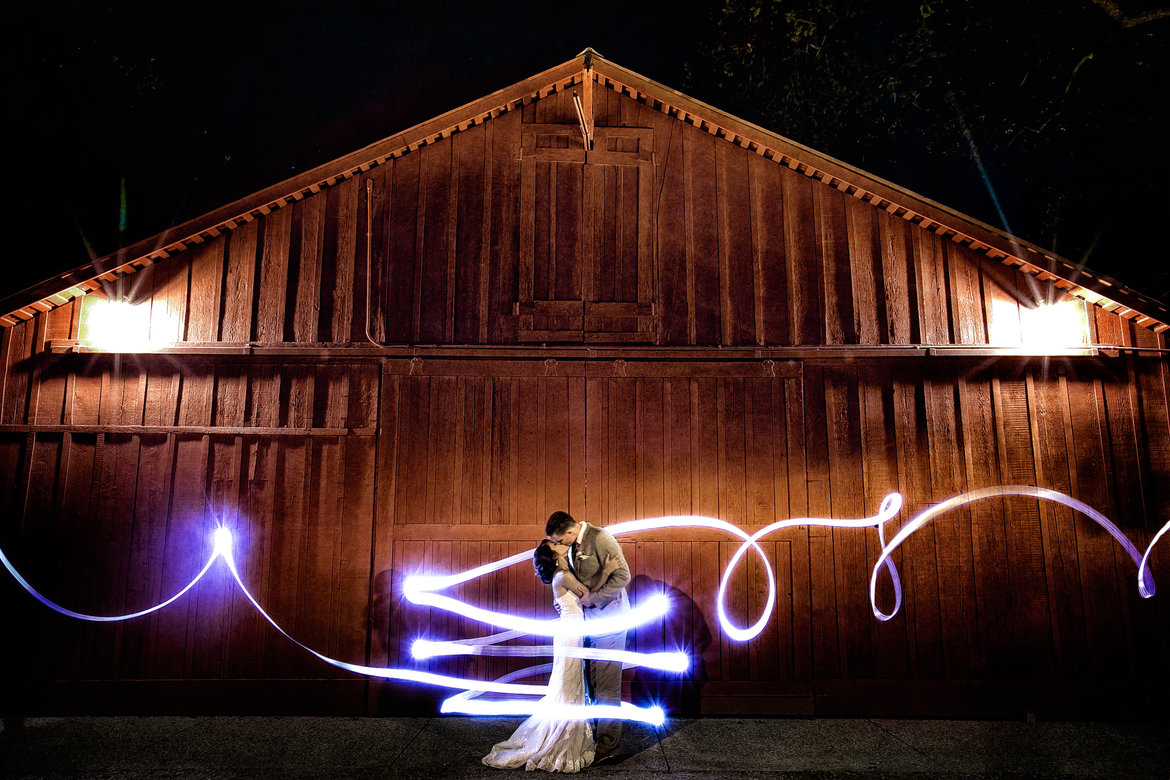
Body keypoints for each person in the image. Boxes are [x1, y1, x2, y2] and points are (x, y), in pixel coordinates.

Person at [482, 540, 621, 773]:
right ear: (554, 556)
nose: (560, 544)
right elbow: (587, 595)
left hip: (571, 633)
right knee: (568, 687)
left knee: (570, 685)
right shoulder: (563, 575)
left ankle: (570, 731)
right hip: (571, 635)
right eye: (555, 545)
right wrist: (607, 570)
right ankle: (560, 739)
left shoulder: (563, 575)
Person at [545, 510, 630, 765]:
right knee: (592, 683)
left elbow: (623, 576)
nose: (559, 545)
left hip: (610, 621)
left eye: (560, 540)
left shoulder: (601, 539)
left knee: (607, 684)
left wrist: (594, 599)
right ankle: (595, 739)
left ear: (570, 532)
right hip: (587, 624)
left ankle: (609, 747)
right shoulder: (570, 549)